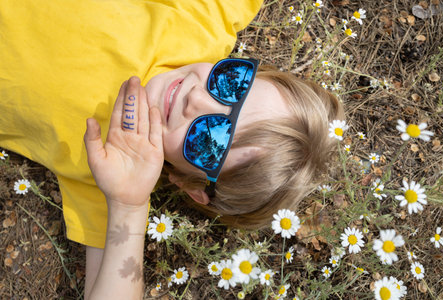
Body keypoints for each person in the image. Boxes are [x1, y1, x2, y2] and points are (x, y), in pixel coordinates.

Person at [0, 0, 344, 298]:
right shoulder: (201, 22)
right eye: (232, 82)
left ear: (191, 185)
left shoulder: (112, 168)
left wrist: (128, 207)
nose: (196, 98)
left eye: (210, 140)